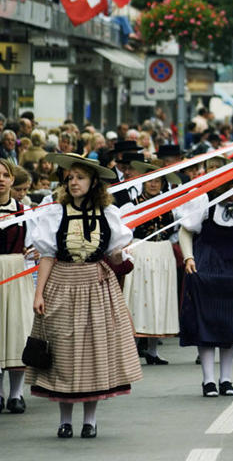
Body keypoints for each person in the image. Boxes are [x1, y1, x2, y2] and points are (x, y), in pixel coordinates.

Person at [27, 153, 141, 439]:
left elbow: (114, 254)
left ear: (93, 183)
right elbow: (48, 257)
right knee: (63, 354)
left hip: (97, 287)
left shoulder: (108, 215)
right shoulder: (55, 213)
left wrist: (120, 255)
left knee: (94, 353)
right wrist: (39, 293)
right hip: (62, 285)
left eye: (80, 177)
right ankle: (65, 420)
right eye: (71, 177)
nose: (74, 182)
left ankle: (90, 420)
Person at [179, 173, 233, 398]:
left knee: (231, 321)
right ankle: (208, 379)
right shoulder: (205, 201)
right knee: (207, 319)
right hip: (208, 264)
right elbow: (186, 230)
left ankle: (226, 378)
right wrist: (188, 257)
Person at [120, 161, 183, 365]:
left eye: (157, 181)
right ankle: (132, 349)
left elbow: (177, 231)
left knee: (159, 298)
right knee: (138, 297)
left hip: (162, 251)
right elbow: (123, 231)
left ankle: (153, 350)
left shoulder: (171, 207)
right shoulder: (133, 205)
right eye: (150, 181)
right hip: (141, 250)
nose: (153, 185)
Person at [0, 159, 35, 415]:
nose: (1, 179)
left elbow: (36, 243)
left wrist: (33, 249)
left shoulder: (24, 211)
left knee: (16, 329)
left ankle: (16, 393)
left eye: (4, 175)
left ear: (12, 180)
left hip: (17, 271)